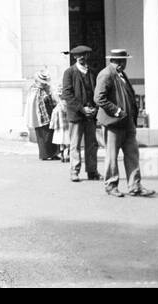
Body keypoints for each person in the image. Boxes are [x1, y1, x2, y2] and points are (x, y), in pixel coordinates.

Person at [96, 48, 152, 196]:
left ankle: (135, 186)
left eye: (123, 61)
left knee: (132, 154)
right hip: (113, 123)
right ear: (114, 61)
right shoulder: (106, 74)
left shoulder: (120, 75)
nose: (122, 64)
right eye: (119, 61)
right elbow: (99, 98)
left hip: (127, 122)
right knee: (112, 156)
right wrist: (116, 111)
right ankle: (111, 185)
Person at [61, 46, 103, 182]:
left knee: (92, 144)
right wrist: (81, 108)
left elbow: (97, 92)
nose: (82, 57)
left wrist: (95, 108)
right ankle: (74, 171)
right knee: (75, 144)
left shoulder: (92, 72)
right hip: (76, 115)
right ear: (74, 57)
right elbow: (67, 94)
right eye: (79, 55)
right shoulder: (69, 73)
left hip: (90, 115)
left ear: (87, 56)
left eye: (84, 55)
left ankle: (92, 171)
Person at [27, 71, 59, 160]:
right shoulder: (33, 89)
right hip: (40, 116)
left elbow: (52, 98)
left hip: (49, 112)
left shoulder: (47, 88)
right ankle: (44, 154)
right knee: (43, 136)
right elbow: (34, 104)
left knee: (51, 134)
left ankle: (53, 153)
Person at [50, 87, 72, 163]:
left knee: (61, 143)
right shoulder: (69, 106)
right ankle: (68, 155)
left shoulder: (56, 108)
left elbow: (53, 120)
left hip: (59, 128)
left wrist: (52, 126)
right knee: (69, 142)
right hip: (68, 127)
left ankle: (62, 155)